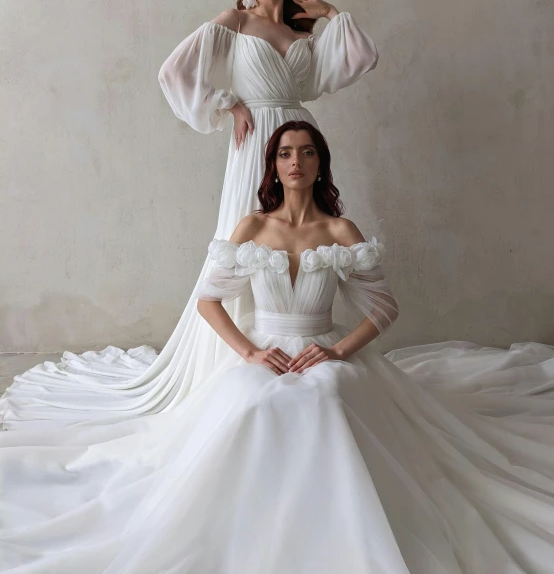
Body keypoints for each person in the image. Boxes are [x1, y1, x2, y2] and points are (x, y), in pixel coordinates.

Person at [1, 121, 554, 574]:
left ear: (320, 164)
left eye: (307, 153)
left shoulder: (340, 230)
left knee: (330, 397)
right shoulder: (251, 226)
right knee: (253, 403)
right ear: (273, 165)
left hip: (324, 347)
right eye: (286, 153)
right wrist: (248, 352)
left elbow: (385, 307)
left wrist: (339, 351)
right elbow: (208, 302)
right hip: (265, 347)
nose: (296, 162)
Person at [0, 0, 379, 429]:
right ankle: (237, 360)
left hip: (295, 138)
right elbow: (173, 71)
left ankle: (289, 341)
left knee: (291, 242)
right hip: (255, 145)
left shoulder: (306, 37)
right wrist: (229, 103)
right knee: (247, 241)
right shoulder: (236, 22)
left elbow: (360, 56)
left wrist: (326, 9)